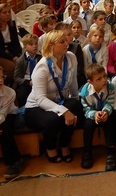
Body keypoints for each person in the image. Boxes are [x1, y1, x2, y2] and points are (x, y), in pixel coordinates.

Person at [24, 30, 83, 163]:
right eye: (62, 42)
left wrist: (74, 102)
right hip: (36, 107)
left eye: (66, 40)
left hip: (58, 102)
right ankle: (50, 148)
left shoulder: (71, 57)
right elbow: (40, 99)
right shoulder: (42, 67)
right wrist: (64, 111)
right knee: (53, 119)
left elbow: (73, 82)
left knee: (76, 106)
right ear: (51, 46)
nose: (66, 43)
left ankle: (64, 143)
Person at [79, 63, 116, 171]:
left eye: (104, 76)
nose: (104, 80)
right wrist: (94, 114)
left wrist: (105, 112)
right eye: (99, 79)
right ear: (90, 82)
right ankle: (87, 152)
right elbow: (86, 109)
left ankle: (111, 152)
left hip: (105, 112)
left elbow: (110, 102)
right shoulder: (84, 93)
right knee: (88, 125)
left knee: (110, 121)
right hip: (92, 114)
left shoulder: (110, 87)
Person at [13, 33, 41, 107]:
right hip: (26, 82)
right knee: (22, 95)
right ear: (25, 47)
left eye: (36, 43)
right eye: (31, 44)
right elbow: (16, 77)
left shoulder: (41, 57)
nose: (35, 46)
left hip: (39, 80)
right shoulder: (20, 60)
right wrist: (27, 82)